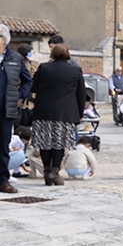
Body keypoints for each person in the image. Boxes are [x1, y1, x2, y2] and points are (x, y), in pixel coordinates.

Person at [31, 43, 87, 186]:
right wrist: (80, 113)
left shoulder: (44, 68)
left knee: (45, 143)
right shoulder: (75, 71)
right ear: (67, 55)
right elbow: (81, 94)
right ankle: (54, 172)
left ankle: (46, 172)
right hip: (65, 113)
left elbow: (34, 87)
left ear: (53, 54)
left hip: (43, 111)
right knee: (59, 143)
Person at [0, 24, 33, 193]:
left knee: (3, 145)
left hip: (7, 109)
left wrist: (18, 95)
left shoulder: (16, 58)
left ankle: (3, 180)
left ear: (3, 39)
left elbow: (28, 81)